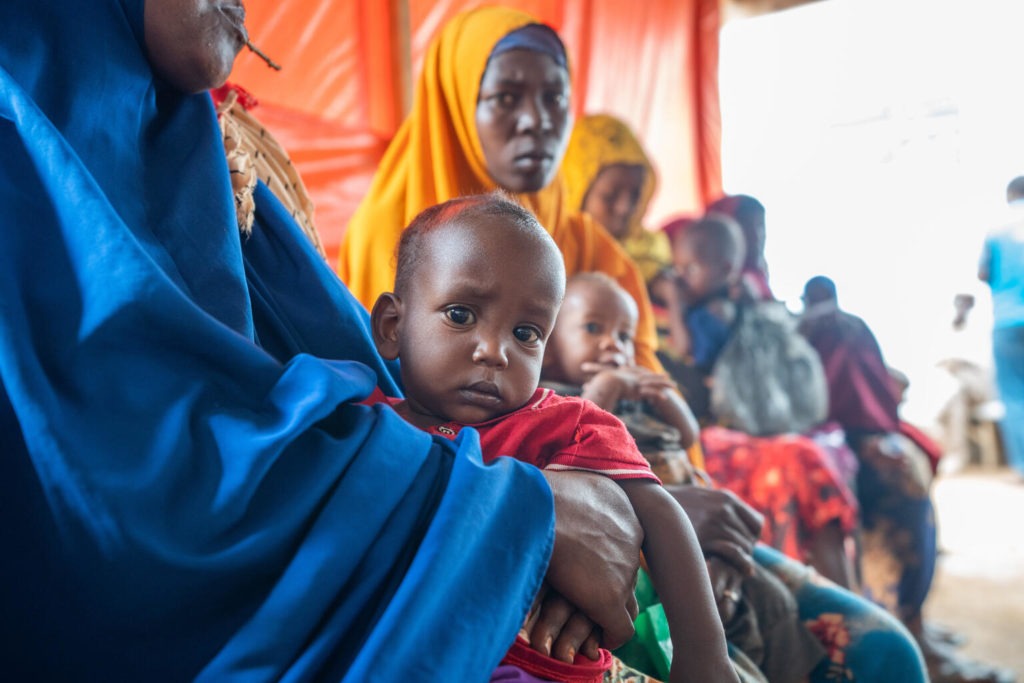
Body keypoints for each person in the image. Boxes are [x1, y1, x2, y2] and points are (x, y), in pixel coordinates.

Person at [0, 1, 648, 679]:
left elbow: (376, 402)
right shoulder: (26, 148)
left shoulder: (198, 146)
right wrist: (515, 513)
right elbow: (133, 502)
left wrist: (595, 489)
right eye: (506, 95)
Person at [369, 192, 739, 683]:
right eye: (461, 315)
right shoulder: (360, 424)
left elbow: (660, 511)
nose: (495, 351)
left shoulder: (563, 424)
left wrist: (705, 657)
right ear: (392, 326)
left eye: (526, 332)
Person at [338, 6, 665, 373]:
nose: (537, 122)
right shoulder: (388, 232)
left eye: (555, 99)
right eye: (506, 98)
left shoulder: (591, 250)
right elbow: (389, 389)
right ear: (457, 104)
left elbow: (648, 382)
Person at [543, 272, 831, 683]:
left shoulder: (637, 394)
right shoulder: (556, 398)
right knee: (726, 621)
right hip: (650, 539)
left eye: (625, 337)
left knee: (771, 599)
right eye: (593, 329)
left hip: (695, 515)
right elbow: (581, 443)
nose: (613, 345)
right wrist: (604, 389)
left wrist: (666, 397)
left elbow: (689, 435)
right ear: (550, 346)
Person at [799, 276, 1014, 683]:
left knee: (910, 463)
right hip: (808, 426)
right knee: (895, 481)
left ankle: (915, 622)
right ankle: (906, 632)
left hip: (839, 422)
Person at [668, 217, 859, 590]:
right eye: (678, 269)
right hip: (741, 429)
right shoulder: (745, 305)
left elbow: (685, 349)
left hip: (731, 426)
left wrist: (676, 303)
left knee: (804, 462)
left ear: (725, 269)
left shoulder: (710, 315)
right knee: (804, 463)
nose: (681, 278)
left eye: (690, 268)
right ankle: (845, 603)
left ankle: (839, 605)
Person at [562, 113, 673, 288]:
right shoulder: (557, 256)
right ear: (578, 192)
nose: (624, 208)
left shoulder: (653, 252)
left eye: (636, 195)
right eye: (610, 196)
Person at [978, 176, 1024, 479]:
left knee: (1014, 395)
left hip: (1007, 323)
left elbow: (983, 273)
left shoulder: (996, 229)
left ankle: (1022, 465)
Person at [707, 194, 772, 301]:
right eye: (746, 227)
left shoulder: (759, 276)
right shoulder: (713, 289)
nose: (756, 236)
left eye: (760, 226)